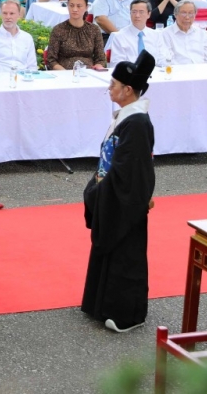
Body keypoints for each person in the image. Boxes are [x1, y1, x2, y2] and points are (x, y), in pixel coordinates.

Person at [81, 50, 156, 334]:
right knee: (109, 249)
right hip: (110, 190)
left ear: (128, 90)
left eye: (113, 84)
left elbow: (131, 172)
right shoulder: (127, 117)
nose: (109, 88)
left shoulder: (137, 123)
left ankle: (126, 312)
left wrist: (102, 191)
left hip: (124, 198)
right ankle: (100, 304)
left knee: (125, 251)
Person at [46, 0, 106, 70]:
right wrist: (65, 73)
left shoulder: (94, 30)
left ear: (86, 7)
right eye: (71, 5)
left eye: (79, 6)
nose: (74, 9)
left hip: (89, 72)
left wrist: (97, 67)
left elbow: (101, 59)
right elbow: (51, 60)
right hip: (64, 72)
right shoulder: (59, 30)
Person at [0, 0, 38, 73]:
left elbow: (32, 67)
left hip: (23, 78)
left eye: (12, 13)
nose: (8, 17)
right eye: (5, 13)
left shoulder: (27, 38)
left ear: (19, 15)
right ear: (1, 14)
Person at [108, 0, 166, 65]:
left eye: (141, 12)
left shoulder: (156, 35)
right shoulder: (119, 36)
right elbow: (117, 63)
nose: (137, 15)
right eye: (134, 12)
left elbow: (162, 59)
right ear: (130, 13)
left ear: (149, 14)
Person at [160, 0, 207, 64]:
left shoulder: (201, 33)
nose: (187, 17)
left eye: (191, 13)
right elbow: (167, 59)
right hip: (178, 69)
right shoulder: (165, 34)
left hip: (201, 68)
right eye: (183, 13)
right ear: (175, 15)